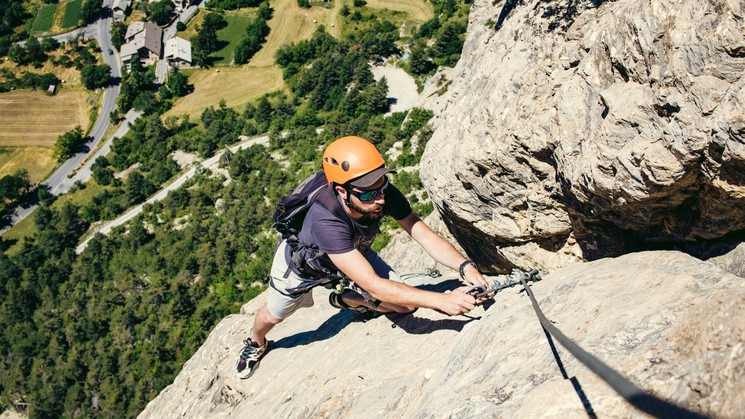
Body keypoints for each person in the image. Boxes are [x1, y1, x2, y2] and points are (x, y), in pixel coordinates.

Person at [236, 135, 488, 379]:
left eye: (382, 187)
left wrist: (465, 266)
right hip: (304, 267)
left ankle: (347, 299)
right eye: (367, 193)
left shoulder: (379, 191)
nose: (379, 198)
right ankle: (255, 343)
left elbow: (422, 234)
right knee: (272, 316)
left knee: (407, 305)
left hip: (353, 252)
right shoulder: (325, 221)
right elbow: (375, 285)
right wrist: (440, 301)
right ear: (341, 191)